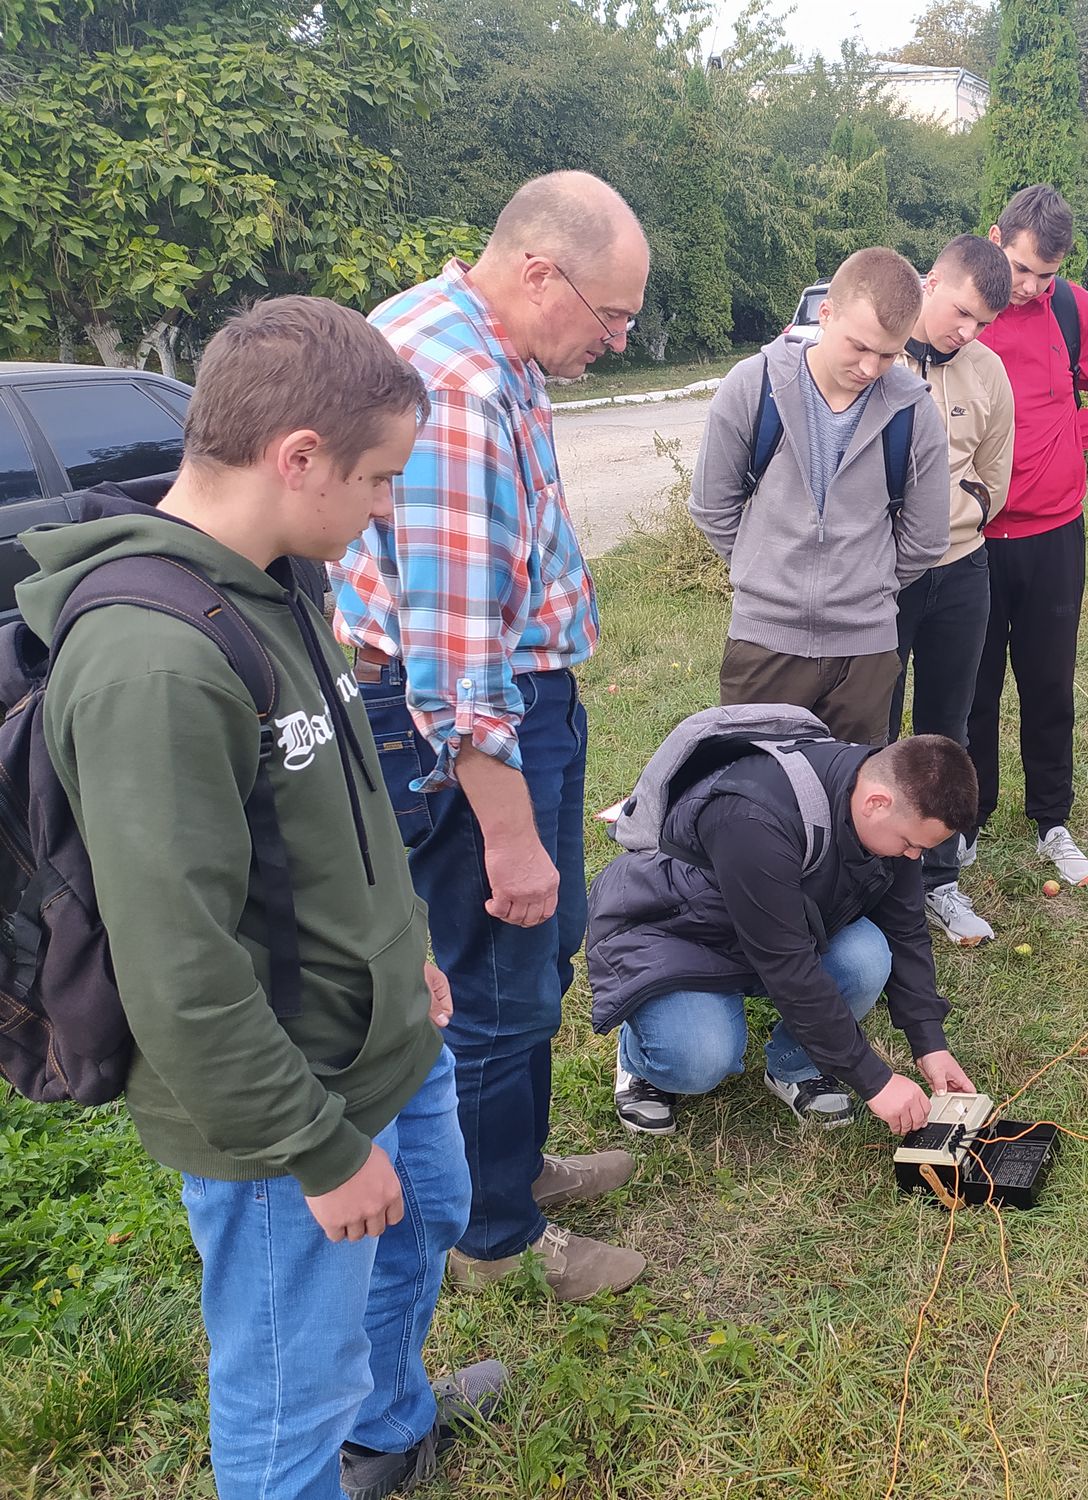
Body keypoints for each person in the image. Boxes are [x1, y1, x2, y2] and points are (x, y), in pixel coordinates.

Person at [20, 296, 505, 1500]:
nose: (384, 508)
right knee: (289, 1383)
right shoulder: (152, 663)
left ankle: (390, 1431)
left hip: (383, 1031)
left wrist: (403, 950)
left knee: (424, 1225)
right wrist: (318, 1151)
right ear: (297, 458)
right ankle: (326, 1450)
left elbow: (342, 810)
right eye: (378, 480)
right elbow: (178, 967)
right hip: (289, 1103)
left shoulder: (277, 580)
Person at [332, 171, 648, 1303]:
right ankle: (493, 1237)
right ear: (538, 271)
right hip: (475, 722)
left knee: (532, 957)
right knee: (498, 982)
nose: (619, 339)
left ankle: (512, 1166)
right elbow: (459, 665)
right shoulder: (459, 390)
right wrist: (510, 840)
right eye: (611, 315)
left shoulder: (473, 331)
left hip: (504, 699)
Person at [588, 732, 982, 1136]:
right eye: (911, 844)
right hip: (682, 934)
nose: (914, 857)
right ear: (876, 803)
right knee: (699, 1060)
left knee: (867, 957)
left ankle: (796, 1066)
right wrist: (875, 1081)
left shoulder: (891, 801)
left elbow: (906, 929)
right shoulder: (753, 818)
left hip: (777, 929)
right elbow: (788, 968)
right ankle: (639, 1060)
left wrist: (929, 1043)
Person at [691, 247, 951, 744]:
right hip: (763, 642)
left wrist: (864, 582)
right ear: (825, 314)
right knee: (755, 785)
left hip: (866, 653)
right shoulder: (753, 386)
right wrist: (766, 569)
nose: (870, 367)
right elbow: (711, 505)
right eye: (859, 346)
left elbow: (926, 537)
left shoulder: (915, 412)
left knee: (853, 789)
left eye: (888, 355)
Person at [969, 185, 1088, 886]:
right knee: (973, 689)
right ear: (995, 240)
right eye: (1020, 269)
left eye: (1044, 274)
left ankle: (1052, 819)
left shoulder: (1072, 310)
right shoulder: (960, 308)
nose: (1028, 286)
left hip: (1054, 535)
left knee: (1049, 685)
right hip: (971, 541)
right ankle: (968, 819)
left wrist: (1068, 438)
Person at [889, 234, 1016, 945]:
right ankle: (871, 876)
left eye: (982, 323)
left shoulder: (987, 371)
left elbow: (995, 475)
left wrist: (959, 514)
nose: (967, 332)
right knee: (873, 723)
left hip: (963, 569)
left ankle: (939, 880)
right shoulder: (878, 353)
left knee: (948, 728)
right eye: (961, 312)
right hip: (883, 578)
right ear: (931, 282)